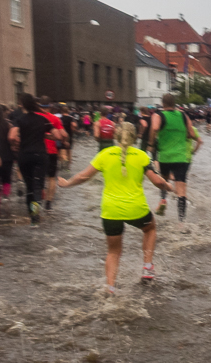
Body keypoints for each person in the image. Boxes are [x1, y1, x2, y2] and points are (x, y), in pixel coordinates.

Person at [58, 123, 175, 292]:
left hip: (110, 211)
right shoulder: (142, 156)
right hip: (136, 209)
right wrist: (168, 187)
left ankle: (110, 288)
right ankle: (147, 267)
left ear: (116, 137)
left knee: (113, 251)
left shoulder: (104, 154)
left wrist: (67, 183)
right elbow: (157, 181)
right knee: (150, 229)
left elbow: (83, 176)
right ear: (135, 138)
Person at [9, 94, 61, 225]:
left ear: (22, 104)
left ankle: (32, 217)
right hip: (40, 155)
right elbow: (58, 135)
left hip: (24, 156)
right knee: (38, 186)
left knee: (29, 187)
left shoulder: (19, 119)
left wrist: (17, 143)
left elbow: (11, 136)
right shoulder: (42, 119)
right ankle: (36, 213)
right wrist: (45, 137)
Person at [150, 93, 202, 221]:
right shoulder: (183, 115)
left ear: (163, 104)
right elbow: (191, 133)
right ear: (174, 103)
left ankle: (163, 200)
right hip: (181, 157)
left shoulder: (159, 115)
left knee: (164, 181)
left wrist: (151, 142)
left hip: (165, 157)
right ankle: (181, 223)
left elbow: (155, 127)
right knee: (181, 191)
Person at [37, 97, 68, 211]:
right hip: (52, 152)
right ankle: (49, 203)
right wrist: (65, 141)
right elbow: (63, 134)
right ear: (50, 106)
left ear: (39, 106)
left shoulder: (35, 117)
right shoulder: (55, 119)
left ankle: (39, 198)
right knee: (51, 178)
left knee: (38, 177)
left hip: (38, 151)